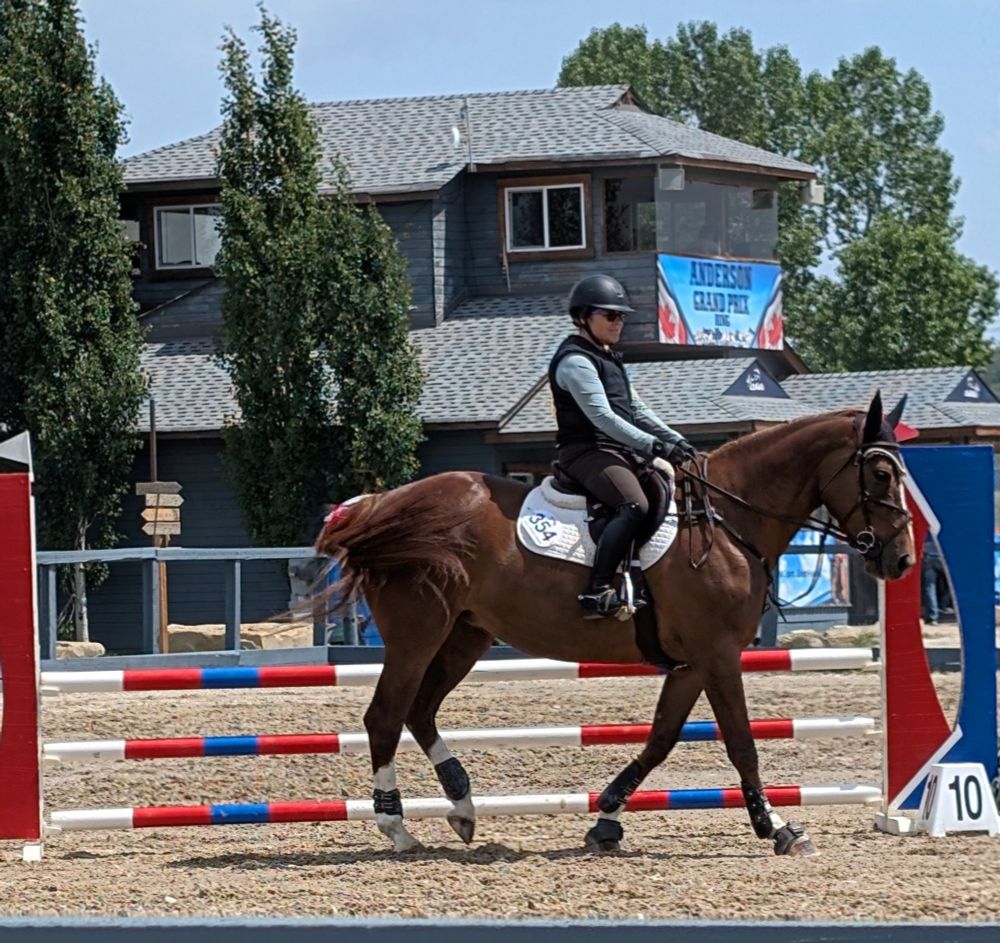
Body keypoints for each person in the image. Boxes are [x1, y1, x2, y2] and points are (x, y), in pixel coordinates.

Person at [548, 273, 696, 618]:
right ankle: (595, 591)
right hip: (586, 451)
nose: (619, 323)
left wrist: (675, 439)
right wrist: (654, 446)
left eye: (622, 316)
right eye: (610, 315)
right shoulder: (576, 361)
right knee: (634, 505)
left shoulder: (608, 357)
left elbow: (636, 409)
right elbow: (602, 417)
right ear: (584, 317)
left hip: (616, 450)